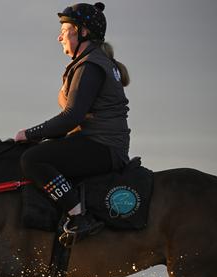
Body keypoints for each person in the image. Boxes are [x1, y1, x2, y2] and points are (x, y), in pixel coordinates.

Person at [15, 2, 131, 242]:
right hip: (96, 142)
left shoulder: (90, 65)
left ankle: (79, 216)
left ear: (83, 32)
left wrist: (29, 133)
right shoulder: (89, 62)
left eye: (65, 30)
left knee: (32, 158)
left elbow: (72, 118)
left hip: (102, 146)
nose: (59, 37)